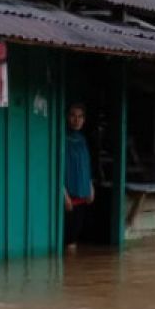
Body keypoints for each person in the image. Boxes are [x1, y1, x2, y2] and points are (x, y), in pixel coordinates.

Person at [63, 103, 94, 252]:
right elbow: (57, 168)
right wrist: (64, 194)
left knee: (74, 240)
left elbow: (86, 165)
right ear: (67, 118)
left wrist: (90, 187)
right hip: (68, 197)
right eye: (73, 116)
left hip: (82, 195)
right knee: (68, 241)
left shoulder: (82, 139)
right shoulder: (62, 138)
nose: (77, 120)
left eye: (80, 116)